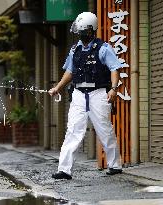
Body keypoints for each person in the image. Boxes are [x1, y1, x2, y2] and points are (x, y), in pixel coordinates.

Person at [48, 12, 122, 180]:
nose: (80, 34)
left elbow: (114, 69)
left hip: (98, 93)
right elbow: (70, 72)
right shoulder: (75, 49)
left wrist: (114, 89)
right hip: (79, 94)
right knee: (73, 130)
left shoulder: (103, 48)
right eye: (79, 30)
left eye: (83, 31)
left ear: (91, 30)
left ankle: (115, 165)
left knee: (104, 130)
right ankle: (64, 170)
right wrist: (57, 88)